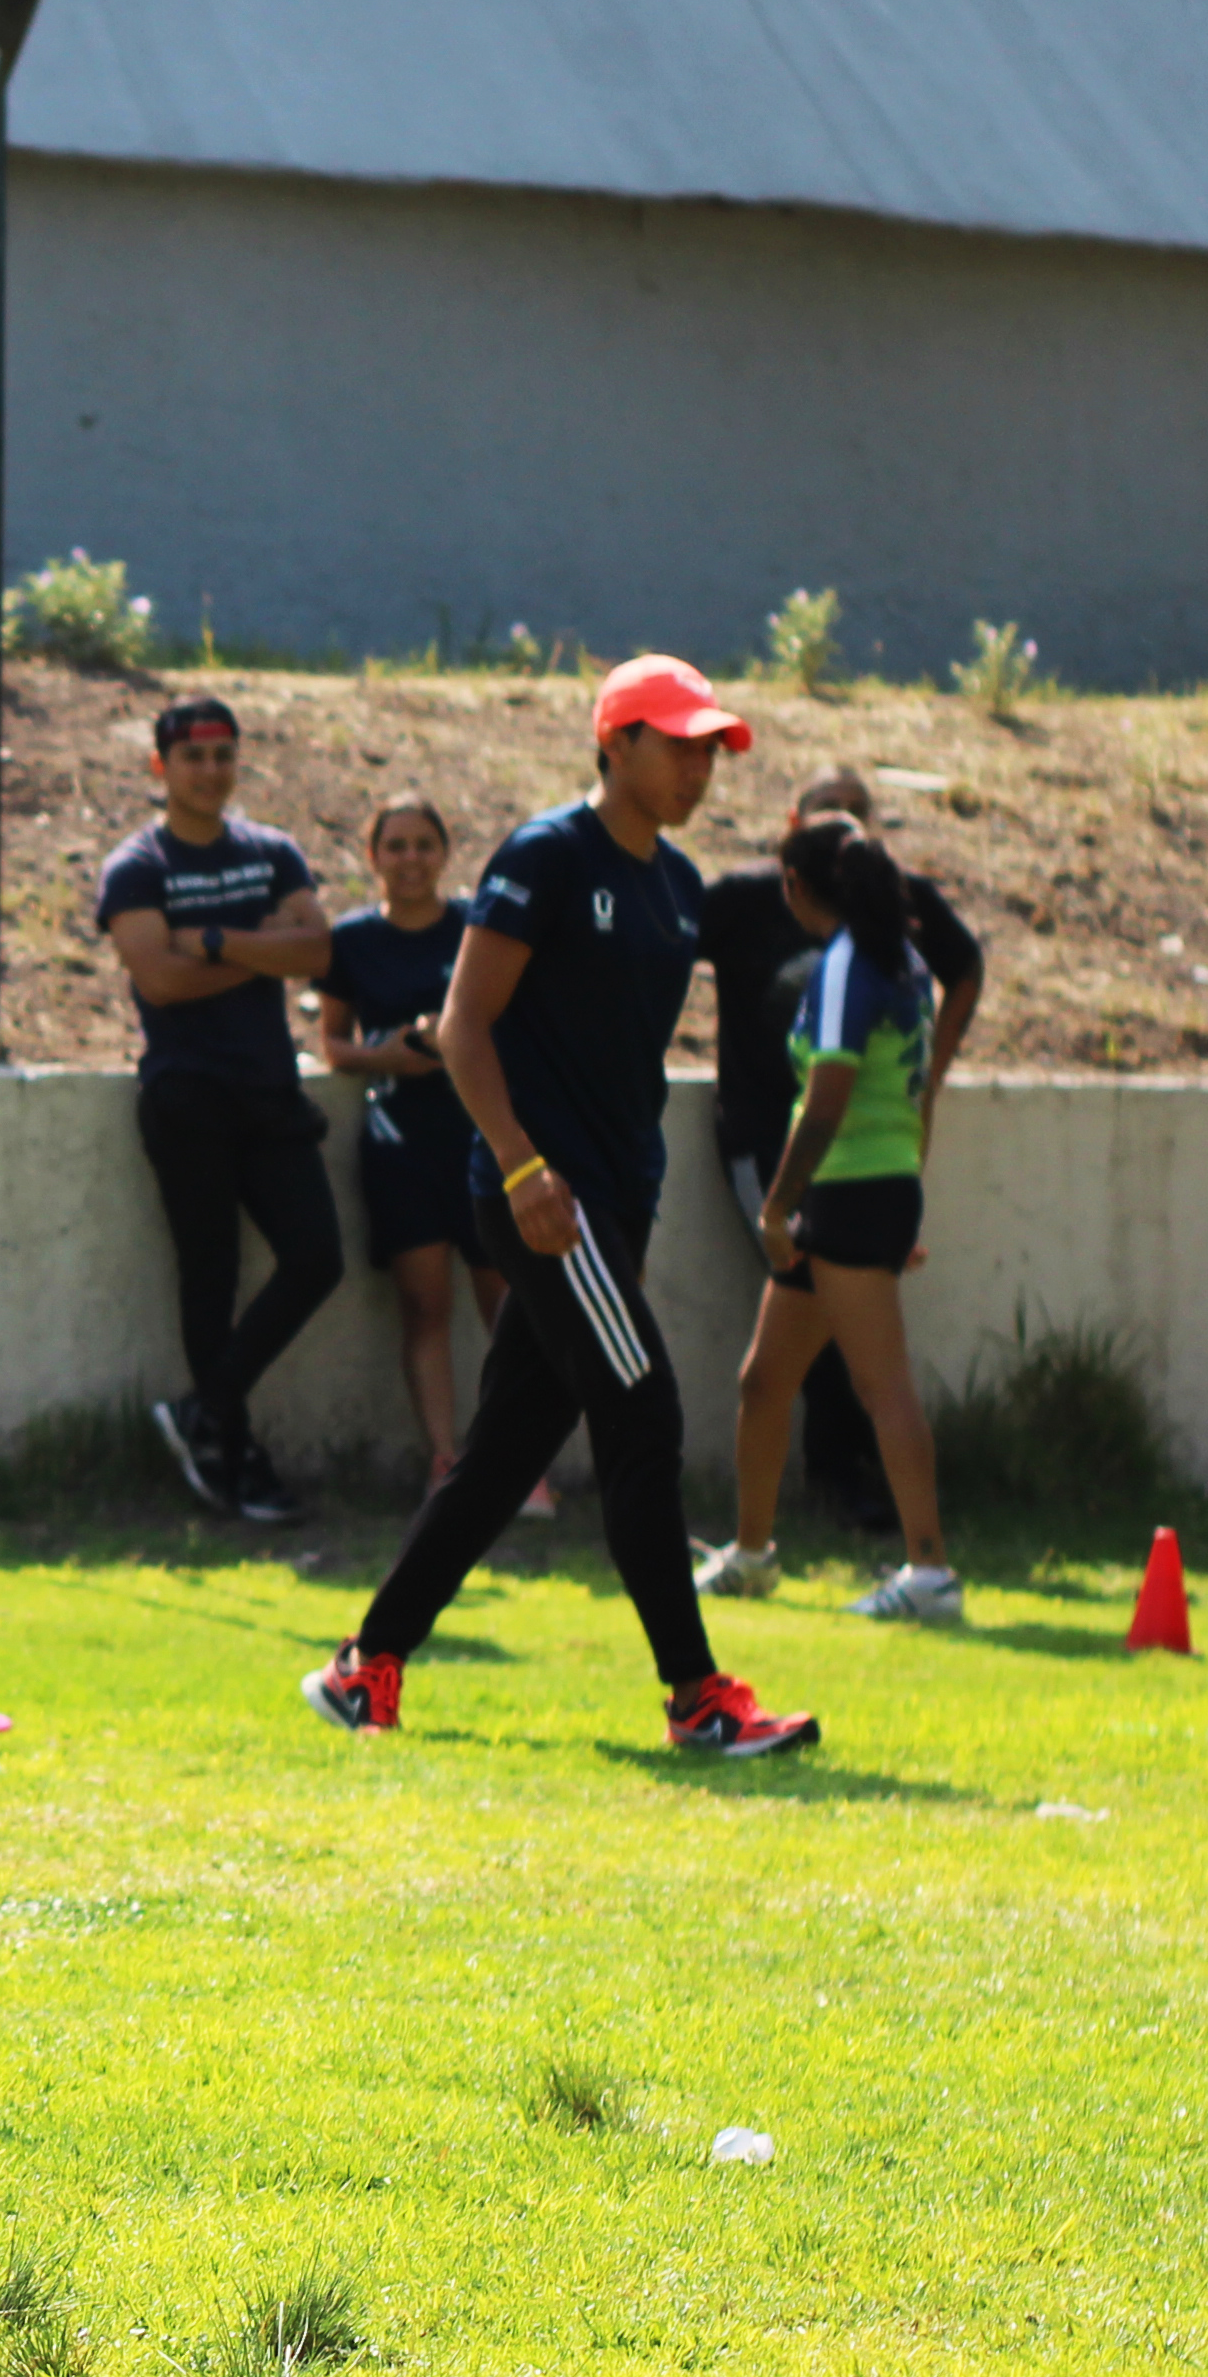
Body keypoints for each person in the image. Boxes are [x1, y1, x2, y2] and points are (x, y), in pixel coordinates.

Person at [301, 657, 823, 1759]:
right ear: (614, 741)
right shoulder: (545, 854)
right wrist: (524, 1167)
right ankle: (695, 1697)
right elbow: (464, 1025)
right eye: (677, 743)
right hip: (549, 1202)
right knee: (646, 1416)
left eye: (709, 749)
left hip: (614, 1206)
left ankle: (366, 1666)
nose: (697, 766)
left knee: (500, 1456)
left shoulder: (677, 885)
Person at [700, 763, 979, 1535]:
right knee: (764, 1382)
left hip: (847, 1189)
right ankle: (751, 1553)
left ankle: (928, 1566)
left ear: (793, 884)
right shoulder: (897, 957)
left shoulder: (849, 965)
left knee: (880, 1386)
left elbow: (822, 1108)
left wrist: (779, 1208)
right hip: (867, 1188)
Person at [95, 694, 340, 1522]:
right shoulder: (137, 866)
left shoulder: (273, 853)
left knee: (317, 1257)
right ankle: (228, 1457)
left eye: (224, 755)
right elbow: (156, 979)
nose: (211, 771)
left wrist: (208, 939)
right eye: (194, 757)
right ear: (160, 766)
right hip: (186, 1093)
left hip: (270, 1091)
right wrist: (255, 946)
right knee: (211, 1277)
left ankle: (204, 1412)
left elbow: (317, 950)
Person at [313, 793, 488, 1490]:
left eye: (424, 845)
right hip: (400, 1145)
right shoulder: (352, 939)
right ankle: (445, 1458)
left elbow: (513, 1021)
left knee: (505, 1302)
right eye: (396, 846)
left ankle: (512, 1463)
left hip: (483, 1136)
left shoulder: (479, 928)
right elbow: (331, 1044)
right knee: (424, 1305)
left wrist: (454, 1044)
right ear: (372, 856)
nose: (410, 860)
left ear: (445, 853)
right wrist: (390, 1056)